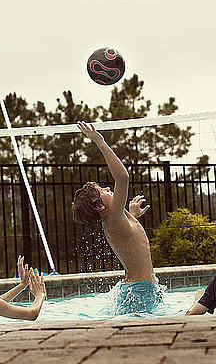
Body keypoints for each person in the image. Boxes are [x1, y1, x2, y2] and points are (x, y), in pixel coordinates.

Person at [71, 121, 160, 314]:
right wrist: (100, 142)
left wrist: (133, 215)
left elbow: (128, 239)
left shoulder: (116, 221)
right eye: (102, 190)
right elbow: (123, 178)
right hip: (140, 292)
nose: (108, 188)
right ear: (100, 206)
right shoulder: (112, 218)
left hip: (137, 289)